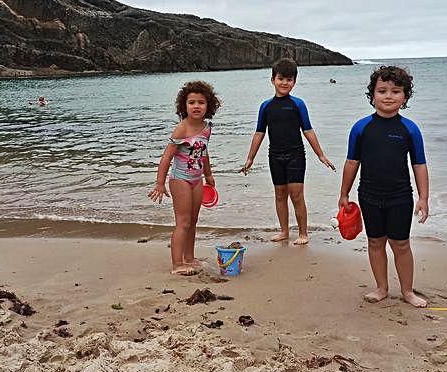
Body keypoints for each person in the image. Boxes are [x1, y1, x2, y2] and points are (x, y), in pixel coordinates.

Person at [337, 65, 430, 307]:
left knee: (401, 244)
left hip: (400, 196)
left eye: (396, 91)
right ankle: (381, 287)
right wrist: (344, 193)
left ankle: (408, 291)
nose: (388, 96)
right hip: (369, 195)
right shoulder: (361, 128)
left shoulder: (410, 129)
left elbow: (419, 165)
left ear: (405, 97)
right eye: (382, 91)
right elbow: (351, 162)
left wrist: (423, 197)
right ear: (373, 95)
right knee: (375, 242)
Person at [240, 57, 335, 245]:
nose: (285, 83)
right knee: (280, 194)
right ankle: (284, 231)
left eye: (289, 79)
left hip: (296, 155)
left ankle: (303, 233)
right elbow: (259, 133)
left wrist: (320, 154)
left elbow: (307, 130)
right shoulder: (266, 106)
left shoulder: (297, 104)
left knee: (297, 194)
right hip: (275, 155)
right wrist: (250, 158)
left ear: (294, 82)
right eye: (281, 78)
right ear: (273, 79)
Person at [148, 81, 221, 275]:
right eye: (191, 102)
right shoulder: (182, 129)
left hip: (197, 179)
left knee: (194, 220)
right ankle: (177, 264)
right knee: (183, 222)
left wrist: (208, 174)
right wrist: (159, 183)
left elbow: (203, 152)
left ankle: (189, 257)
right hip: (179, 179)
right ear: (184, 106)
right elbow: (167, 156)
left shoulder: (207, 128)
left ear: (209, 106)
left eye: (201, 102)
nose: (196, 106)